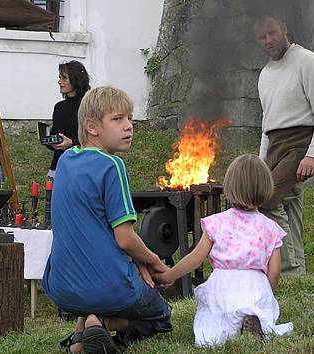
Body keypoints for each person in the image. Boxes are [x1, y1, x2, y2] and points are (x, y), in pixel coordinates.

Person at [42, 86, 172, 354]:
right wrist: (154, 260)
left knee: (96, 280)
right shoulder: (112, 166)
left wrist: (139, 260)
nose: (128, 127)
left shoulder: (66, 160)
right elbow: (124, 239)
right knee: (162, 316)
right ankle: (99, 323)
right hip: (108, 287)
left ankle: (83, 332)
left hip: (61, 287)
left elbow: (96, 231)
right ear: (91, 126)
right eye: (118, 119)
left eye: (130, 119)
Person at [153, 154, 293, 347]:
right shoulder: (270, 228)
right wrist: (266, 291)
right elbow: (275, 271)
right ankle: (252, 319)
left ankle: (228, 327)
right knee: (257, 309)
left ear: (230, 187)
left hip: (222, 287)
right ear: (266, 188)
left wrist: (169, 275)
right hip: (255, 287)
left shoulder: (217, 223)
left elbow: (195, 259)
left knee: (212, 327)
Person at [253, 14, 314, 275]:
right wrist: (260, 163)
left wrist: (313, 155)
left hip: (303, 145)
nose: (268, 40)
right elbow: (267, 127)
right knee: (288, 203)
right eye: (262, 37)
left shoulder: (306, 61)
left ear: (284, 28)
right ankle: (297, 272)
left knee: (265, 198)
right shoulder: (265, 75)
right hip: (276, 149)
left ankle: (289, 269)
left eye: (272, 33)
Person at [46, 60, 90, 179]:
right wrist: (49, 141)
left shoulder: (90, 106)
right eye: (59, 77)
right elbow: (57, 136)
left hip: (82, 168)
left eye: (64, 78)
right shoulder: (59, 107)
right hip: (58, 167)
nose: (59, 81)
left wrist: (71, 143)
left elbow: (97, 140)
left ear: (76, 79)